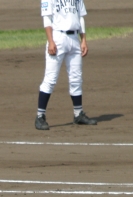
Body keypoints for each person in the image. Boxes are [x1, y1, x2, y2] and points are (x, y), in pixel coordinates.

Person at [35, 0, 97, 130]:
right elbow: (47, 18)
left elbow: (80, 17)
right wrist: (51, 41)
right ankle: (40, 117)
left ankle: (78, 114)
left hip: (74, 38)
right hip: (58, 37)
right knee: (50, 79)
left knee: (76, 78)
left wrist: (83, 40)